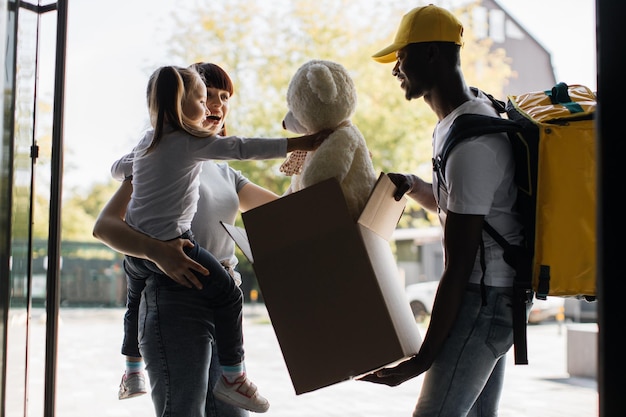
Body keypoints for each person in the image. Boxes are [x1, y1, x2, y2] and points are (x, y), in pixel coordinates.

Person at [103, 64, 326, 414]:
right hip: (176, 298)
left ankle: (224, 378)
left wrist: (330, 170)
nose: (216, 106)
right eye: (207, 95)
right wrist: (157, 251)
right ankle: (132, 368)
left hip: (220, 293)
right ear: (180, 102)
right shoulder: (156, 157)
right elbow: (105, 226)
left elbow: (286, 211)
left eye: (224, 98)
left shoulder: (225, 171)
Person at [358, 5, 524, 416]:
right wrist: (413, 187)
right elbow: (461, 208)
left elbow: (459, 265)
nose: (396, 69)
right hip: (491, 296)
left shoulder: (473, 144)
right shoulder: (456, 123)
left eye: (402, 56)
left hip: (483, 301)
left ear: (432, 53)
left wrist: (422, 360)